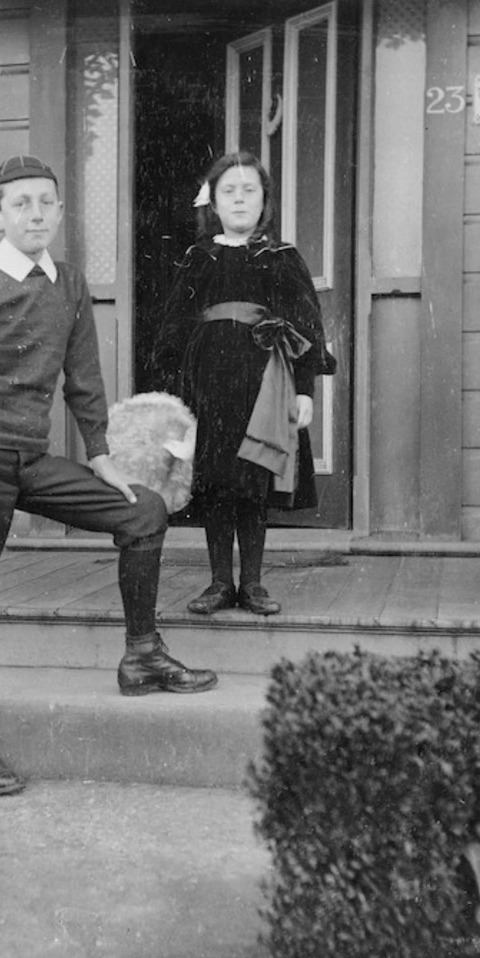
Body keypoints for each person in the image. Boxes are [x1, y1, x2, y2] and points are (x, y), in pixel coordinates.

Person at [0, 155, 217, 797]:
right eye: (20, 203)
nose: (36, 213)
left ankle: (141, 655)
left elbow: (84, 378)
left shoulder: (69, 284)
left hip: (30, 461)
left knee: (143, 512)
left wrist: (101, 455)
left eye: (46, 202)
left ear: (59, 211)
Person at [152, 151, 336, 617]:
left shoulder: (281, 257)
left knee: (253, 478)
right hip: (207, 382)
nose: (238, 199)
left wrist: (304, 390)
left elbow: (304, 326)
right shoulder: (198, 259)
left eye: (248, 190)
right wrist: (175, 397)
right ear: (213, 201)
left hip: (266, 382)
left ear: (263, 201)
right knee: (215, 480)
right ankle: (218, 582)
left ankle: (252, 583)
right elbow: (173, 328)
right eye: (228, 191)